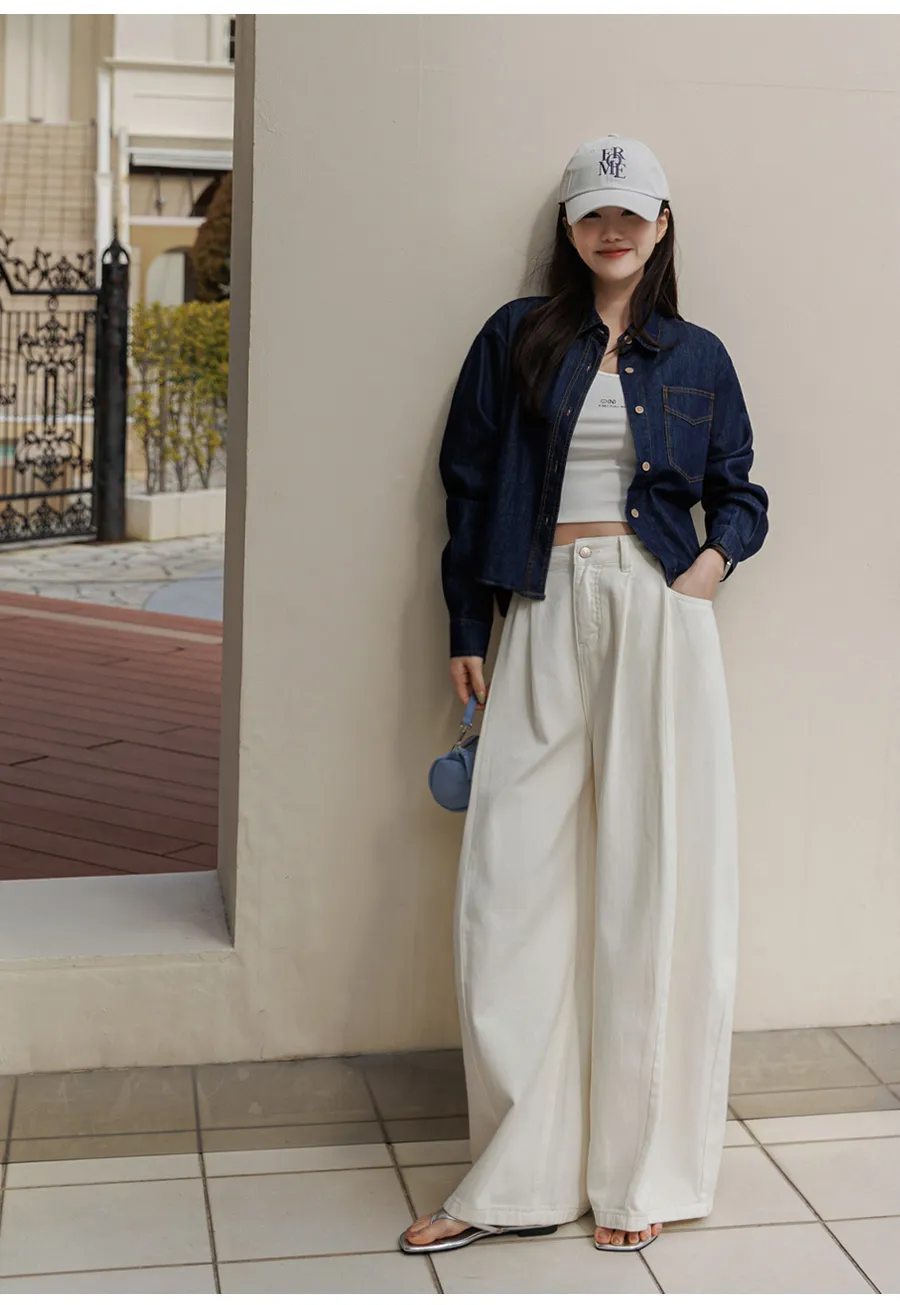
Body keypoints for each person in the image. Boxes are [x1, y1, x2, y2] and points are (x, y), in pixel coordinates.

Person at [399, 134, 769, 1256]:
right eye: (594, 213)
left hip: (659, 610)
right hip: (542, 599)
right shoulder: (516, 336)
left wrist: (708, 568)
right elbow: (468, 488)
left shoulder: (699, 355)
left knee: (655, 879)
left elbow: (740, 489)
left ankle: (638, 1176)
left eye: (632, 214)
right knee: (512, 884)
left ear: (662, 225)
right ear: (570, 227)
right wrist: (469, 624)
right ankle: (514, 1179)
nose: (613, 231)